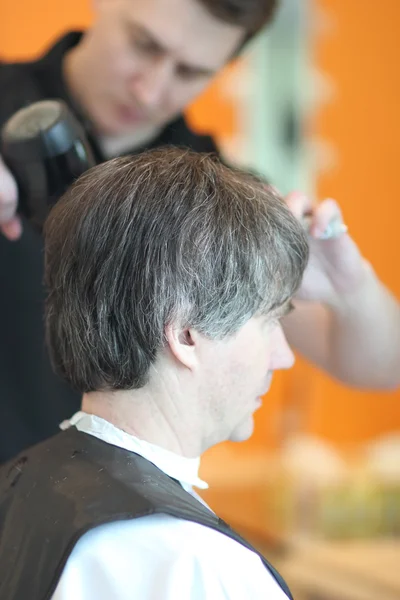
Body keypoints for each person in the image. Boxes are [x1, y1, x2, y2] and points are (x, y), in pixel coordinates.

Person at [0, 0, 398, 462]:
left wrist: (349, 288)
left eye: (190, 72)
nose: (149, 90)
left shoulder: (216, 201)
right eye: (143, 43)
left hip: (87, 507)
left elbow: (381, 368)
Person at [0, 147, 309, 599]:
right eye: (270, 320)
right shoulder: (198, 566)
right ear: (186, 335)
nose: (284, 356)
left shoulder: (16, 486)